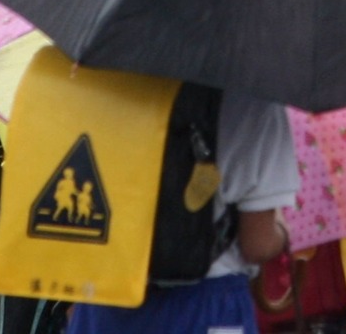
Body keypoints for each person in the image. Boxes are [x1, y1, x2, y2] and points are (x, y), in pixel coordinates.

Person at [66, 89, 299, 334]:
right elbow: (258, 245)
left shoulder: (105, 83)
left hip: (108, 297)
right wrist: (282, 229)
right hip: (208, 304)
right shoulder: (254, 103)